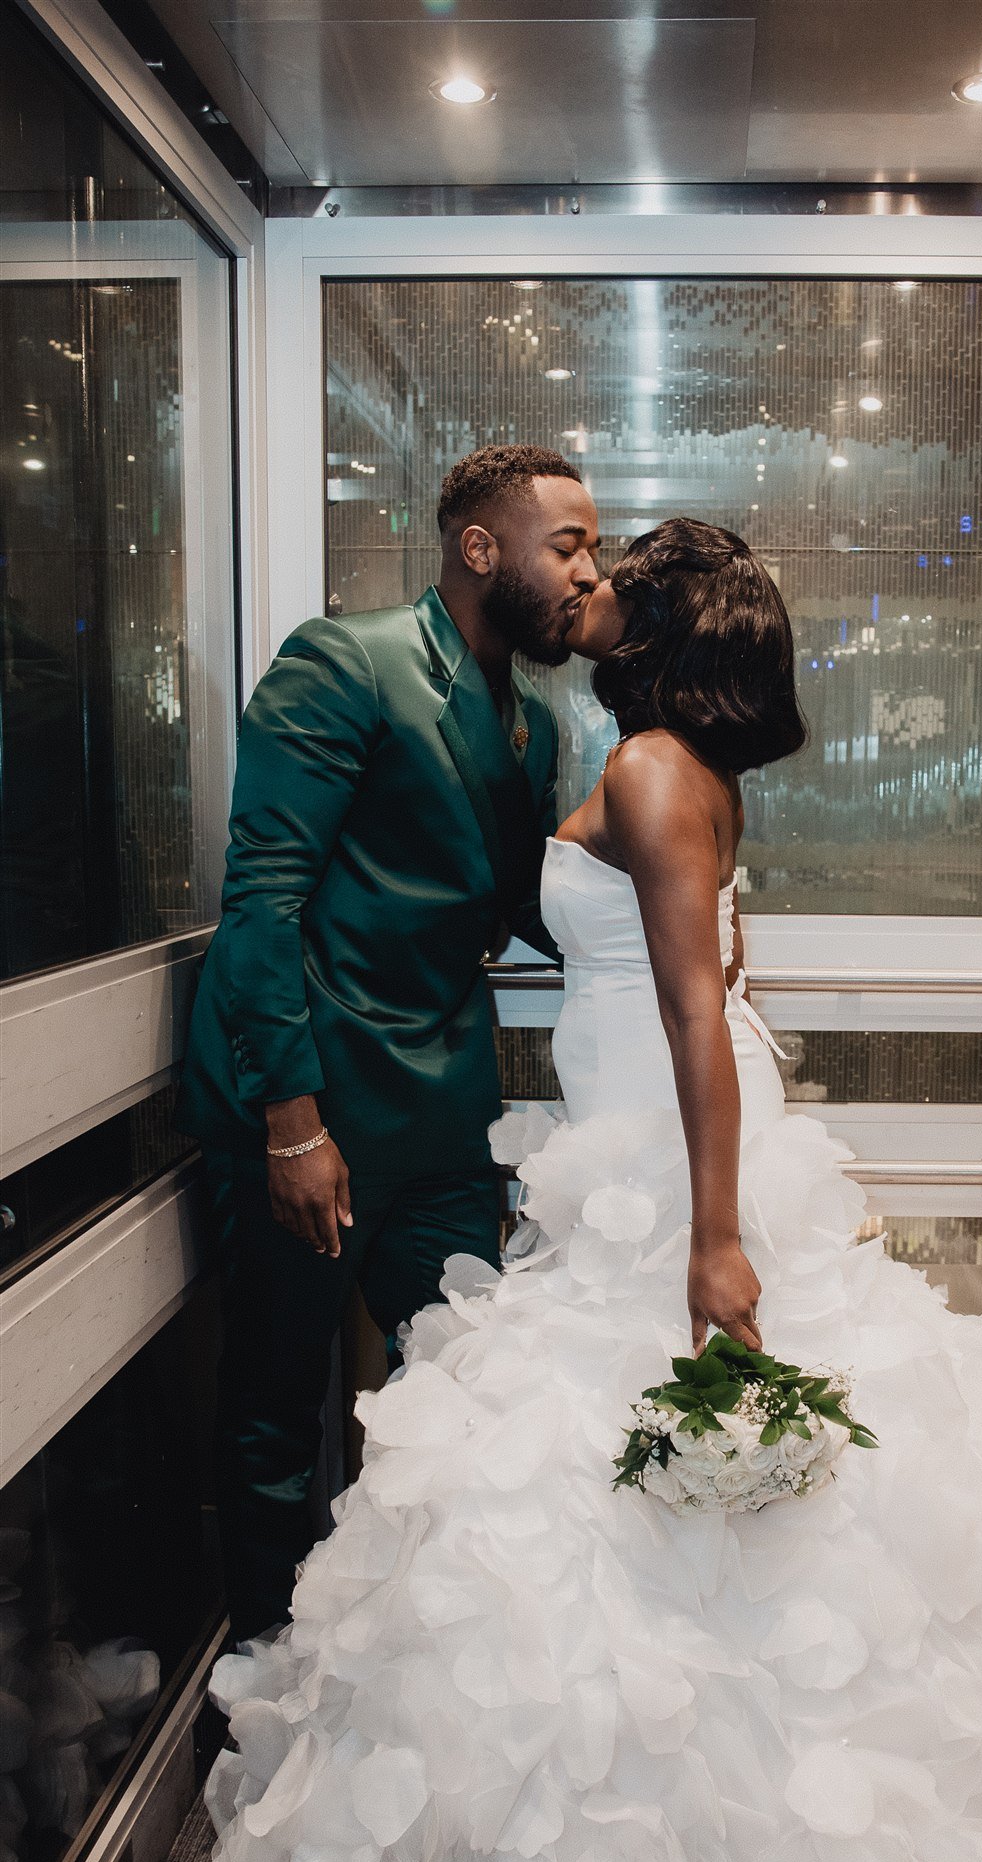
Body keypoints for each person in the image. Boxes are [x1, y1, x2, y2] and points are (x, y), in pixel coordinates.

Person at [205, 520, 982, 1862]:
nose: (584, 580)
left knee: (687, 1467)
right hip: (634, 1147)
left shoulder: (645, 773)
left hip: (664, 1158)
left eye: (607, 568)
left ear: (656, 619)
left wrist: (714, 1230)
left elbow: (700, 1011)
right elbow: (724, 987)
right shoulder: (666, 763)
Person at [177, 445, 600, 1647]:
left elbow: (515, 900)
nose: (586, 570)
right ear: (481, 548)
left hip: (439, 1106)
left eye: (591, 547)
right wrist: (290, 1121)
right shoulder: (343, 661)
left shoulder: (528, 716)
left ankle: (421, 1668)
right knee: (275, 1404)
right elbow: (260, 899)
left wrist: (659, 932)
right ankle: (262, 1679)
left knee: (459, 1385)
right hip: (308, 1100)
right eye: (565, 543)